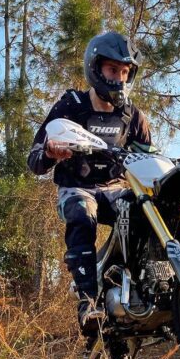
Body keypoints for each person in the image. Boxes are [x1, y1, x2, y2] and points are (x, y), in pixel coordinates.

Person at [27, 31, 152, 332]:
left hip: (114, 190)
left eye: (125, 72)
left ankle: (145, 286)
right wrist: (51, 153)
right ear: (95, 68)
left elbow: (147, 163)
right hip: (77, 189)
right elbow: (34, 160)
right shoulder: (71, 106)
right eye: (113, 70)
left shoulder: (134, 118)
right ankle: (88, 302)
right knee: (83, 215)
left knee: (147, 209)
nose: (119, 78)